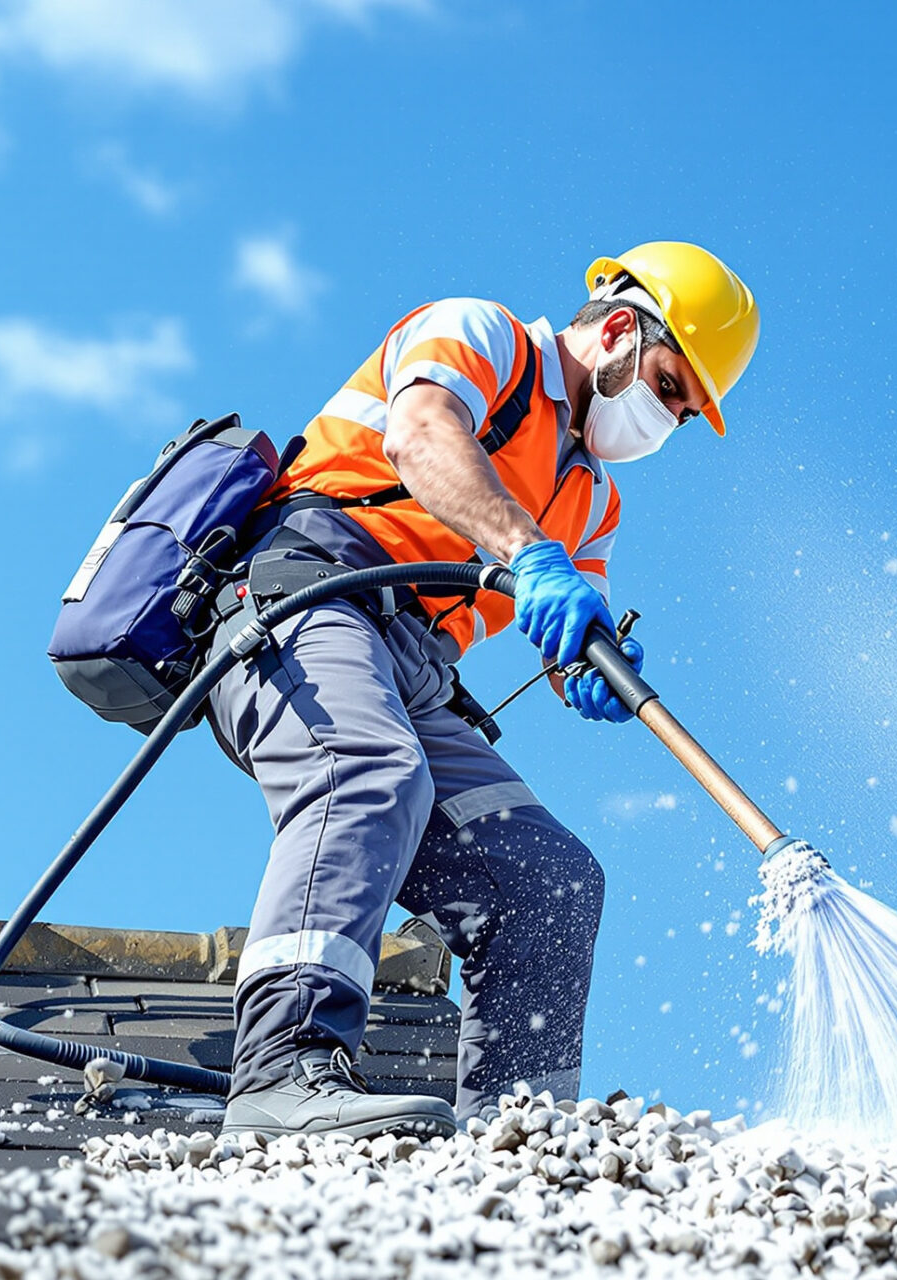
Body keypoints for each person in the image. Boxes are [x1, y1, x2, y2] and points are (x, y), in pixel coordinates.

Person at [209, 242, 759, 1138]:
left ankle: (519, 1135)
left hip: (416, 661)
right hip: (309, 594)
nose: (668, 421)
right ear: (619, 328)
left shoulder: (593, 498)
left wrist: (594, 666)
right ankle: (282, 1071)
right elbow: (422, 436)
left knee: (551, 882)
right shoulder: (483, 334)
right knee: (366, 770)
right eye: (668, 386)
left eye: (687, 414)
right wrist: (531, 554)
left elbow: (570, 635)